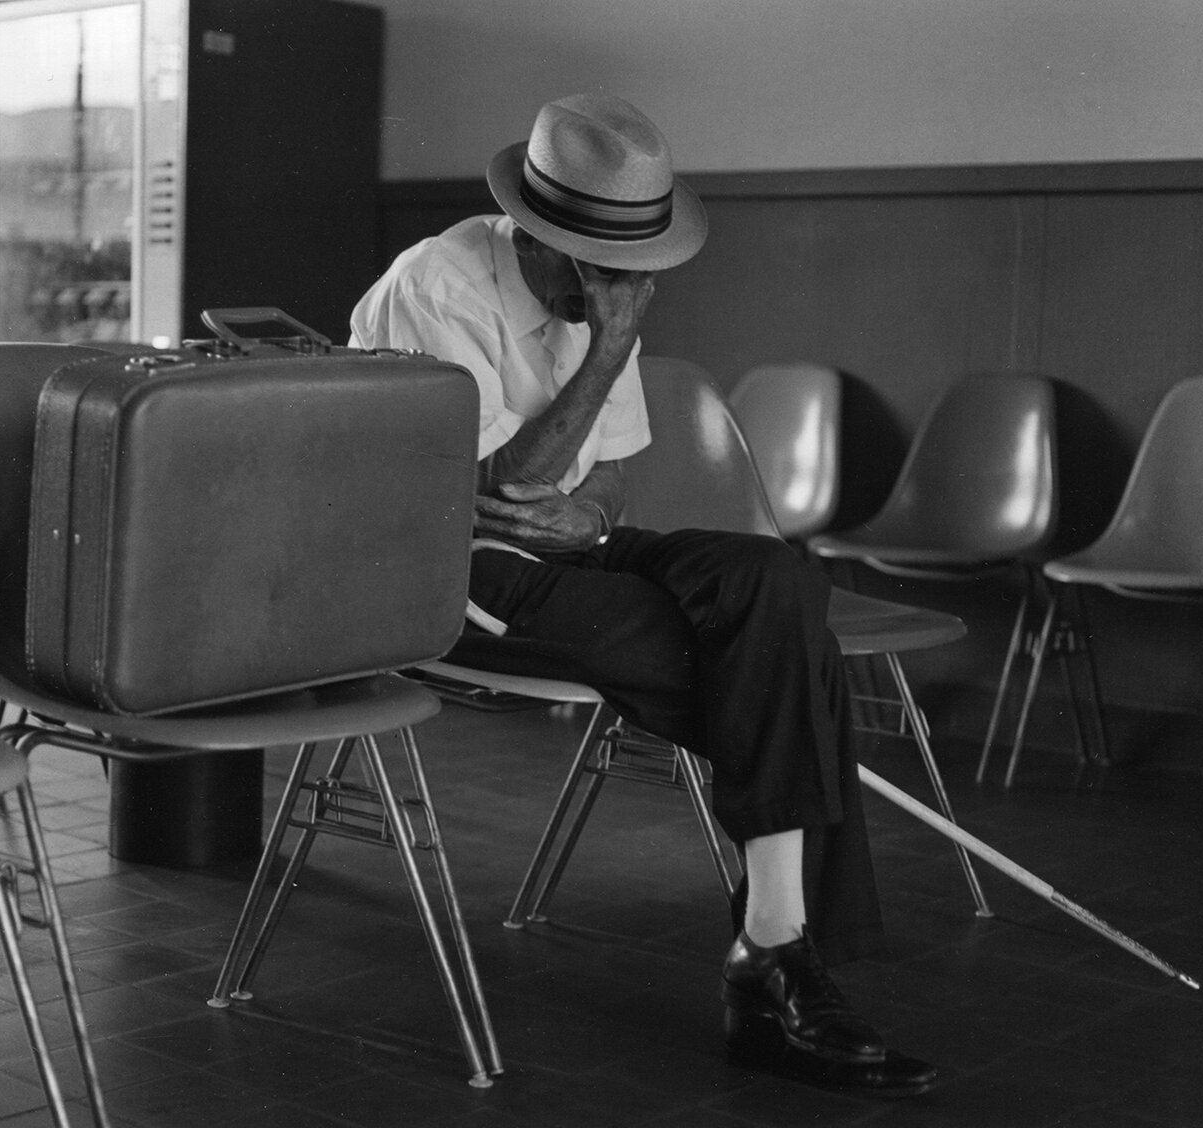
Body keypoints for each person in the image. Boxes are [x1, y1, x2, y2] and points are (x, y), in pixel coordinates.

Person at [349, 93, 935, 1097]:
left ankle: (774, 944)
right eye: (611, 270)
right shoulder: (435, 288)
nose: (632, 289)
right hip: (447, 565)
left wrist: (592, 511)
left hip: (570, 548)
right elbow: (498, 490)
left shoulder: (602, 291)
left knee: (776, 585)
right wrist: (612, 352)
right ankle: (779, 964)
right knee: (782, 666)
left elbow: (608, 470)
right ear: (546, 243)